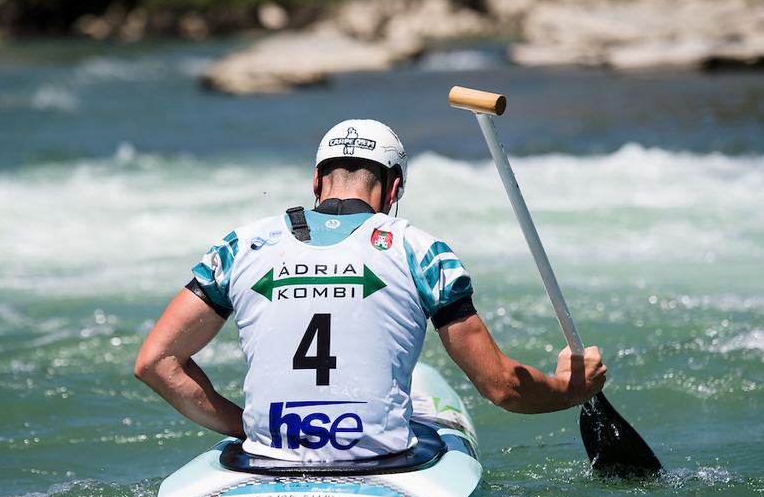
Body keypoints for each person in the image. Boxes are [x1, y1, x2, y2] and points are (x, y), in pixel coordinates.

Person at [134, 119, 606, 462]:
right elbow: (503, 387)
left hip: (269, 454)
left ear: (316, 181)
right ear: (394, 187)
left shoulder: (240, 246)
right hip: (379, 460)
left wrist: (249, 427)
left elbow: (156, 364)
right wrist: (569, 390)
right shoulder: (423, 252)